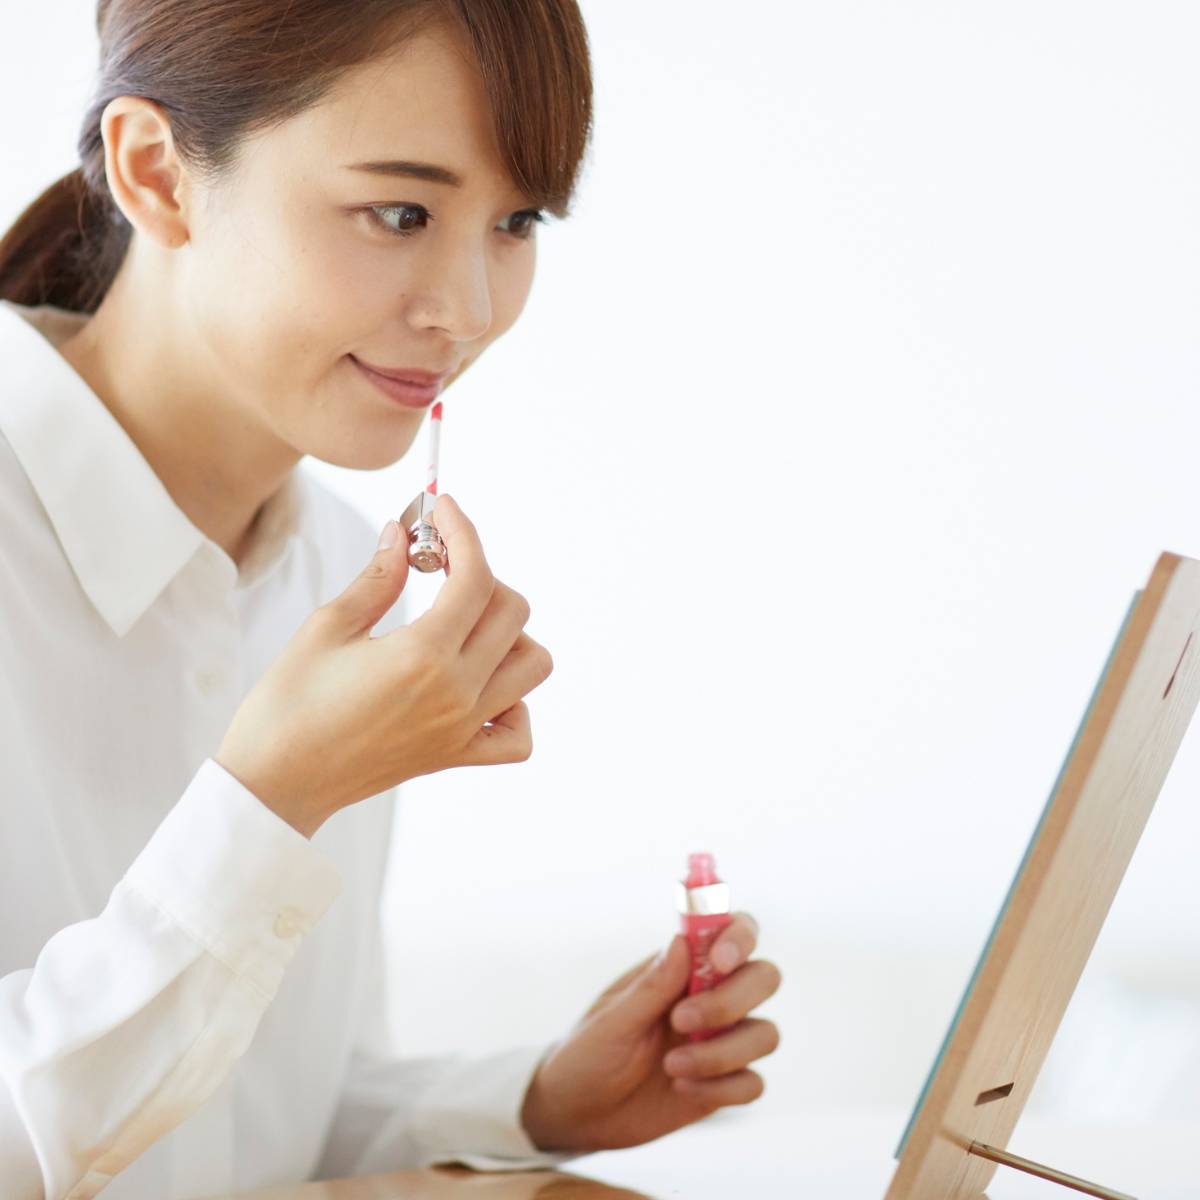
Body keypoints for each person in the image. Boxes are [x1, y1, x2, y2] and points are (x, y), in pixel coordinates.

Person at [0, 2, 783, 1197]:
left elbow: (256, 1128)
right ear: (157, 173)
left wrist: (539, 1102)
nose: (467, 310)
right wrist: (272, 801)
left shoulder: (333, 571)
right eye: (401, 213)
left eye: (516, 222)